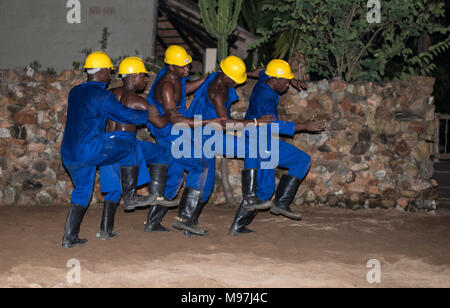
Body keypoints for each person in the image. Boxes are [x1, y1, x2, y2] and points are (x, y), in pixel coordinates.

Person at [60, 51, 157, 248]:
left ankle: (69, 237)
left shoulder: (75, 92)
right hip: (89, 149)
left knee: (82, 191)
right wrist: (148, 115)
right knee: (129, 147)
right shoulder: (102, 96)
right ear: (102, 72)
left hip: (69, 153)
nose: (110, 76)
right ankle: (130, 196)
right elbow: (126, 115)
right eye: (109, 72)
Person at [230, 59, 327, 236]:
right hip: (258, 141)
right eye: (285, 81)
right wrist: (304, 126)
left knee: (302, 160)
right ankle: (238, 226)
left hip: (265, 139)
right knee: (264, 191)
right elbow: (272, 125)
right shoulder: (265, 97)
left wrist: (292, 79)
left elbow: (260, 72)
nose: (287, 85)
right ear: (274, 79)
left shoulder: (266, 79)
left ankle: (281, 203)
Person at [185, 55, 275, 237]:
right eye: (235, 80)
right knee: (252, 149)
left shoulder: (216, 76)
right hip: (206, 136)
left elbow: (226, 72)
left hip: (200, 135)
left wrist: (250, 74)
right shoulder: (217, 92)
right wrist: (255, 121)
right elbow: (225, 124)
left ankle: (189, 223)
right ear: (226, 77)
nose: (237, 84)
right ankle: (250, 196)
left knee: (207, 183)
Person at [97, 57, 178, 240]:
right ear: (133, 77)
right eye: (143, 75)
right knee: (163, 153)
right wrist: (169, 113)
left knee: (114, 188)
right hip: (126, 143)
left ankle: (105, 230)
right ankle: (156, 196)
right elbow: (160, 122)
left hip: (106, 143)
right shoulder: (137, 101)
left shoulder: (109, 94)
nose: (145, 80)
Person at [147, 45, 224, 236]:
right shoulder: (166, 85)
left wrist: (207, 77)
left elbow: (183, 89)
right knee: (200, 165)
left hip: (172, 129)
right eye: (183, 67)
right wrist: (209, 121)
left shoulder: (176, 77)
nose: (187, 69)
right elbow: (176, 119)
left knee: (175, 176)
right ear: (171, 67)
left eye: (188, 65)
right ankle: (185, 219)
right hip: (169, 131)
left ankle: (153, 222)